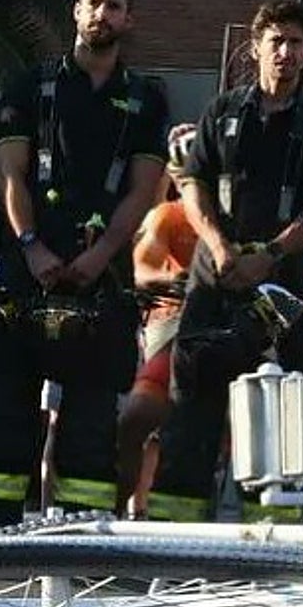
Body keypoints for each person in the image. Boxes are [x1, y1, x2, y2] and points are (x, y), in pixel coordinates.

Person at [0, 0, 168, 533]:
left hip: (104, 278)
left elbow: (144, 190)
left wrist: (100, 256)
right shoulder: (30, 85)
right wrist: (31, 247)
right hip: (29, 272)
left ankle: (79, 540)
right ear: (76, 10)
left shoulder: (147, 99)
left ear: (130, 17)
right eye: (94, 3)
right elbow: (9, 176)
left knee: (91, 427)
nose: (103, 14)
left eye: (114, 6)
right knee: (2, 413)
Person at [145, 0, 303, 522]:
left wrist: (273, 253)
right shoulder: (223, 110)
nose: (285, 53)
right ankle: (174, 540)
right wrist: (217, 246)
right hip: (215, 279)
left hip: (280, 284)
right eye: (276, 41)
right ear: (256, 48)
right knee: (190, 410)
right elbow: (192, 184)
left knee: (279, 417)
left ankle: (270, 546)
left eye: (296, 43)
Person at [115, 124, 200, 518]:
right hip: (170, 328)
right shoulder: (169, 214)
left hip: (217, 331)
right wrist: (178, 279)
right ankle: (124, 509)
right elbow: (141, 270)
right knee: (138, 421)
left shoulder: (233, 216)